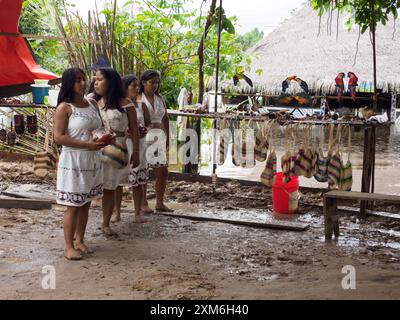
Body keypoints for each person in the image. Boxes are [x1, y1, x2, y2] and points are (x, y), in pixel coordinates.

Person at [54, 68, 105, 260]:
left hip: (92, 159)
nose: (82, 83)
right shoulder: (64, 108)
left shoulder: (92, 103)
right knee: (73, 205)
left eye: (83, 79)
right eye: (77, 80)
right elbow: (59, 137)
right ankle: (68, 247)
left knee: (86, 202)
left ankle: (80, 240)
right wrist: (87, 144)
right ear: (69, 83)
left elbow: (98, 127)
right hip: (73, 160)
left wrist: (104, 139)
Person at [94, 67, 141, 235]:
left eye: (100, 79)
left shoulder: (126, 104)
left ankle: (105, 223)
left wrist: (136, 152)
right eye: (95, 79)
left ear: (111, 82)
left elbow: (134, 130)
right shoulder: (92, 101)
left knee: (110, 186)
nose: (96, 82)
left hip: (118, 147)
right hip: (94, 147)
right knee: (93, 185)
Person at [112, 75, 152, 223]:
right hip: (123, 144)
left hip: (139, 144)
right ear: (124, 87)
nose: (137, 88)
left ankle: (137, 213)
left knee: (138, 181)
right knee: (118, 181)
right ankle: (116, 212)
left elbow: (149, 123)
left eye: (137, 86)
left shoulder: (142, 106)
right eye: (133, 86)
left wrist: (144, 129)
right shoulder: (118, 105)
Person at [139, 69, 173, 213]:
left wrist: (168, 137)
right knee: (143, 171)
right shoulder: (138, 98)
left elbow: (165, 118)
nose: (154, 85)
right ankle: (143, 202)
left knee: (162, 171)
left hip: (158, 137)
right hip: (143, 137)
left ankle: (159, 202)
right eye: (151, 82)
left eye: (157, 82)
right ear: (143, 83)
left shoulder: (160, 98)